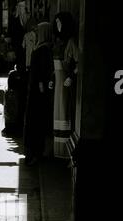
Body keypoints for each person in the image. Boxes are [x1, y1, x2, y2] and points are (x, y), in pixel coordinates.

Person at [23, 22, 54, 166]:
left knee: (34, 123)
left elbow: (40, 75)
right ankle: (36, 153)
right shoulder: (46, 49)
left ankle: (33, 154)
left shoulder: (41, 50)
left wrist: (41, 90)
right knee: (39, 123)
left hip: (37, 94)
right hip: (40, 93)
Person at [53, 12, 78, 158]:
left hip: (64, 84)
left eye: (60, 23)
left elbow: (78, 63)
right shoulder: (59, 42)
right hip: (57, 83)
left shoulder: (71, 42)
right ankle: (58, 149)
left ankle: (64, 151)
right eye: (56, 23)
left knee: (64, 112)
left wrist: (71, 77)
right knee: (57, 113)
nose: (58, 26)